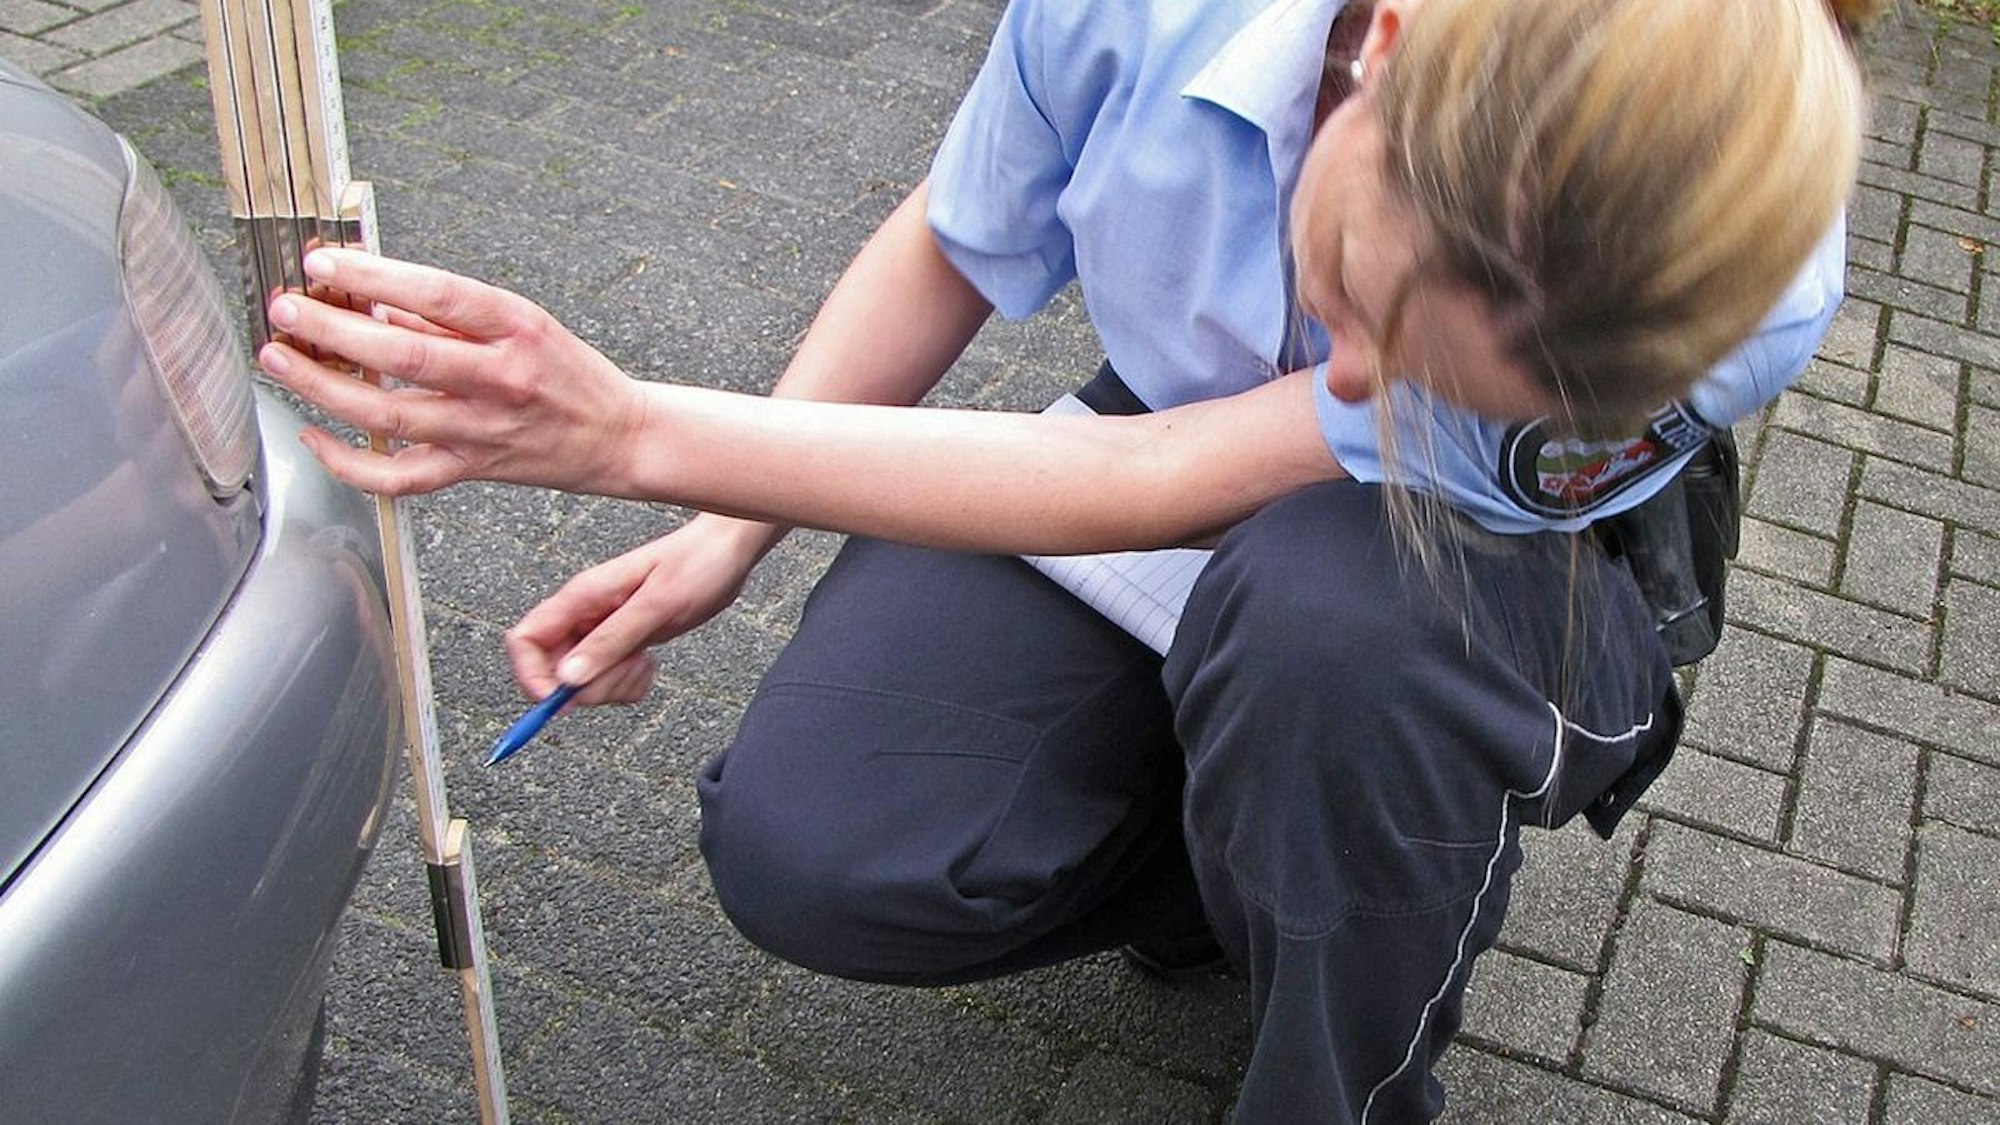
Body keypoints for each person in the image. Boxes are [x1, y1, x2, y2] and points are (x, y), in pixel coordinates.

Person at [257, 0, 1877, 1118]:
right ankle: (1246, 855)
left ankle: (1350, 1038)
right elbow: (961, 236)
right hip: (1162, 449)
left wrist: (623, 429)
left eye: (1418, 357)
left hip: (1477, 576)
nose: (1360, 380)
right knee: (810, 838)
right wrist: (715, 529)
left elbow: (1159, 477)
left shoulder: (1733, 276)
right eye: (1371, 305)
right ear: (1385, 44)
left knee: (1336, 635)